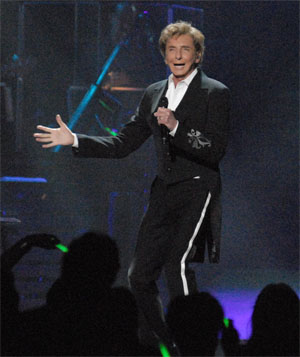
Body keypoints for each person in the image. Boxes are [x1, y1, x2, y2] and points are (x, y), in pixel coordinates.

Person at [34, 21, 231, 353]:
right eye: (172, 50)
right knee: (139, 276)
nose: (178, 55)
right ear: (164, 56)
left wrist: (177, 126)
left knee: (177, 264)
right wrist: (76, 139)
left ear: (197, 56)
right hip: (164, 188)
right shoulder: (154, 93)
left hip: (199, 186)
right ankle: (167, 343)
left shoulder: (215, 92)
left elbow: (215, 148)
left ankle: (194, 345)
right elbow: (123, 143)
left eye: (185, 49)